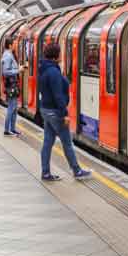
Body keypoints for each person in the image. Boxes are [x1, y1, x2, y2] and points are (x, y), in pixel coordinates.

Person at [38, 43, 92, 181]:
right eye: (60, 53)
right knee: (67, 143)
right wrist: (65, 114)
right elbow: (58, 96)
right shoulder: (53, 72)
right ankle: (77, 170)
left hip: (45, 109)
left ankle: (45, 173)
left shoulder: (44, 69)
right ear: (56, 56)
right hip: (55, 112)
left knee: (48, 142)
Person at [2, 38, 25, 136]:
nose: (16, 45)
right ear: (10, 45)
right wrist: (18, 70)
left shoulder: (9, 55)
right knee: (11, 107)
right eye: (15, 44)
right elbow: (5, 72)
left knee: (14, 108)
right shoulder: (7, 56)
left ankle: (13, 128)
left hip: (13, 84)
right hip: (11, 84)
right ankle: (7, 130)